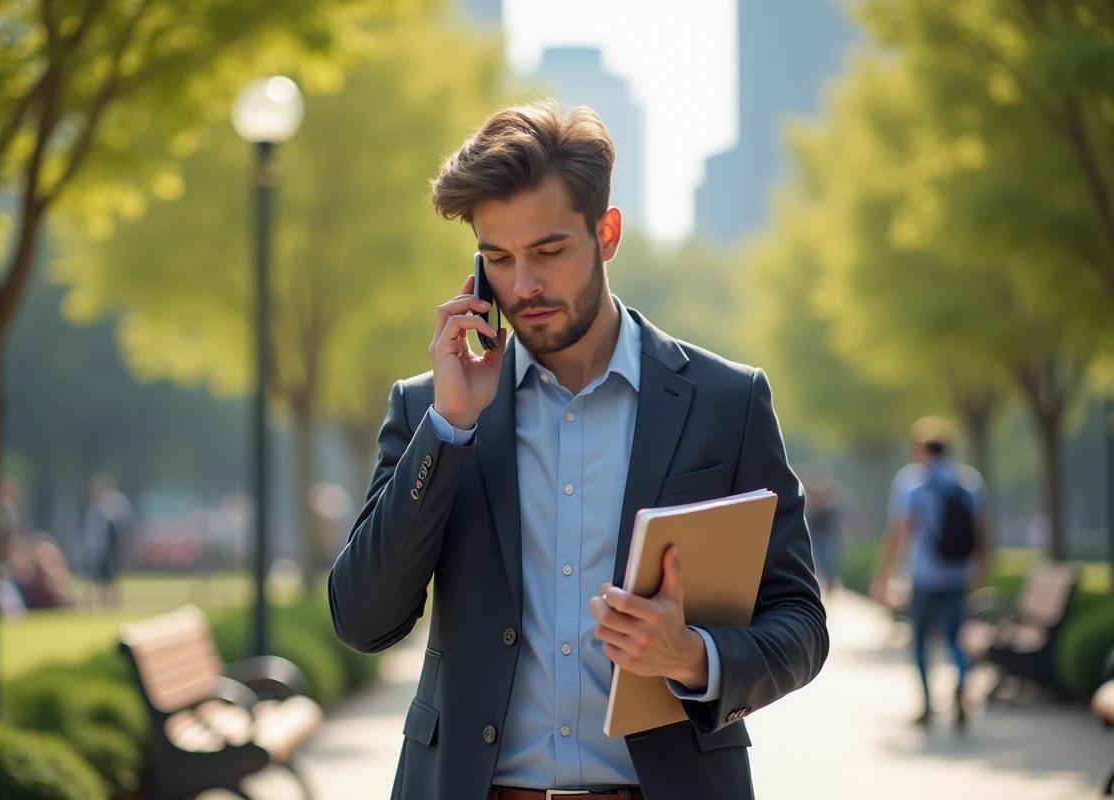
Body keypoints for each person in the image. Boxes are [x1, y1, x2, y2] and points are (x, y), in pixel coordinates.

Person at [328, 102, 828, 800]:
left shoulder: (726, 402)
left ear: (608, 232)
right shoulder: (429, 412)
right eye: (498, 258)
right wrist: (449, 432)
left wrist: (694, 656)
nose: (523, 284)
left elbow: (801, 624)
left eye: (549, 251)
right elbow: (363, 620)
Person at [871, 417, 988, 729]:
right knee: (955, 638)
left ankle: (926, 705)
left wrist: (883, 575)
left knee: (921, 641)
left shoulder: (912, 483)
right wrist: (980, 569)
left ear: (920, 449)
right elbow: (981, 531)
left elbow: (899, 533)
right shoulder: (969, 481)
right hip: (958, 575)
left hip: (924, 576)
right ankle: (961, 682)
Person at [80, 473, 134, 609]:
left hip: (110, 549)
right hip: (95, 549)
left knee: (110, 580)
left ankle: (111, 606)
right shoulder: (94, 506)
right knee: (95, 579)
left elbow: (123, 529)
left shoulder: (116, 504)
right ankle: (97, 606)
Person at [804, 462, 844, 596]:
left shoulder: (828, 498)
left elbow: (836, 519)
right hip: (816, 536)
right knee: (818, 560)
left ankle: (831, 582)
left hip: (827, 536)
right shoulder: (811, 498)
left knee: (828, 559)